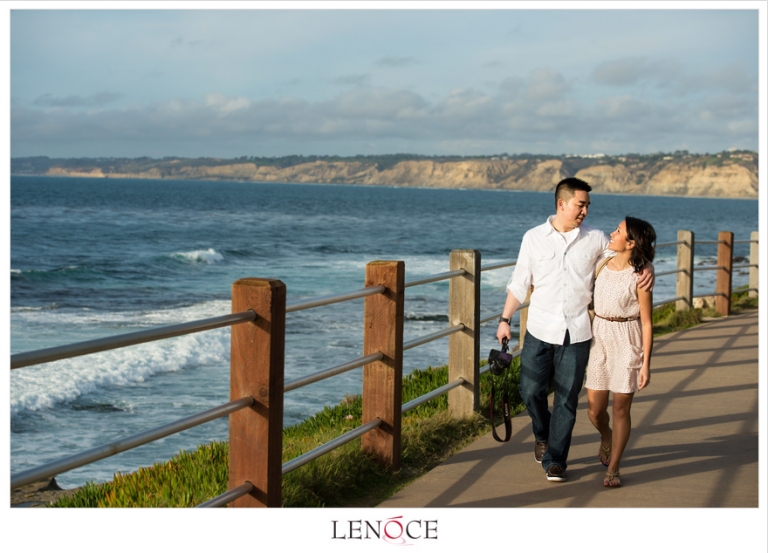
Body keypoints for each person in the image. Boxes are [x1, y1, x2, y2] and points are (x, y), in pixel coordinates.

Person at [496, 178, 653, 482]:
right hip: (539, 329)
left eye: (588, 206)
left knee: (567, 400)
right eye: (581, 205)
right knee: (530, 391)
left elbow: (626, 256)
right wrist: (505, 319)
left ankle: (556, 460)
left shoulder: (595, 239)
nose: (585, 211)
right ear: (562, 204)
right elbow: (519, 283)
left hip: (578, 332)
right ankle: (543, 434)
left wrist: (648, 266)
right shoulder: (533, 238)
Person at [585, 217, 655, 488]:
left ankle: (613, 468)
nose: (612, 233)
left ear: (632, 242)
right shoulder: (602, 262)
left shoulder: (640, 276)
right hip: (599, 337)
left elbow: (647, 323)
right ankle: (607, 435)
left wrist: (646, 363)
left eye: (618, 231)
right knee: (594, 411)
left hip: (628, 339)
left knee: (620, 408)